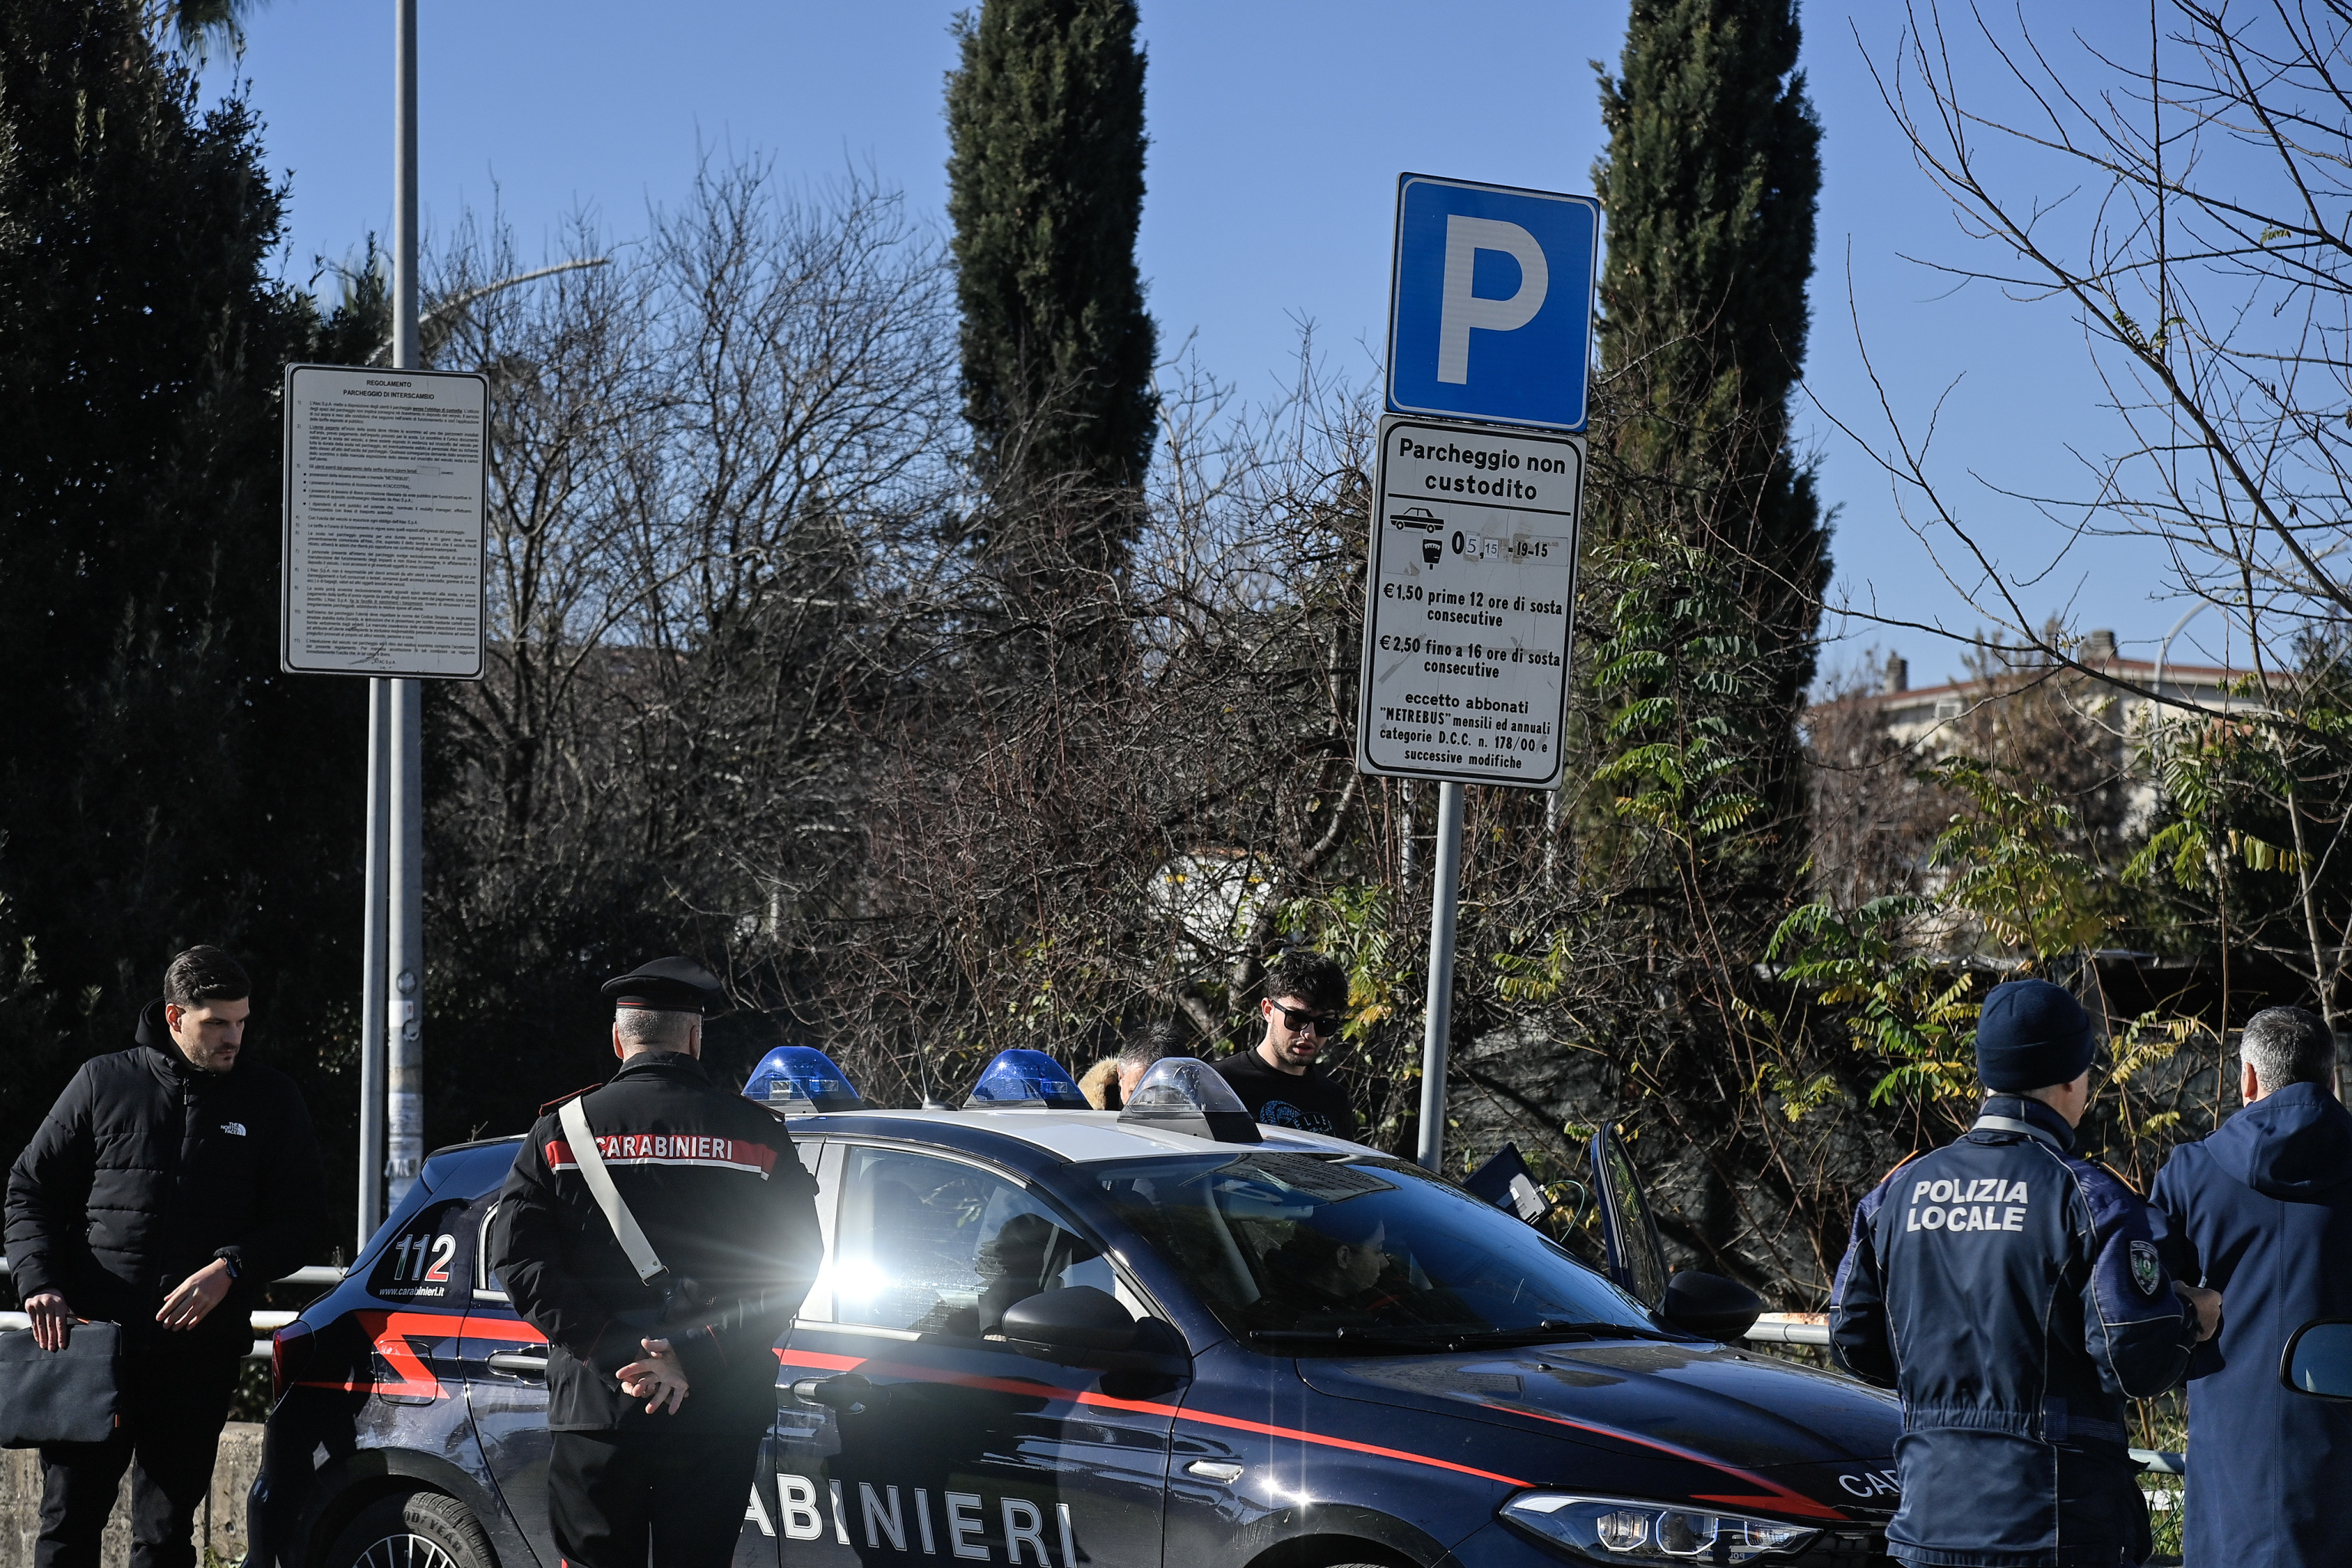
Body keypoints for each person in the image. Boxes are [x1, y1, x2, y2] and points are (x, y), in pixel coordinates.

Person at [1829, 978, 2220, 1568]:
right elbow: (2131, 1357)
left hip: (1927, 1520)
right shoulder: (2089, 1198)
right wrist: (2191, 1317)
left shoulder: (1897, 1193)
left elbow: (1851, 1342)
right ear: (2071, 1078)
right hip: (2055, 1524)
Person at [489, 956, 823, 1568]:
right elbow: (796, 1264)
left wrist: (619, 1352)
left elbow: (517, 1260)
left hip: (597, 1407)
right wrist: (692, 1354)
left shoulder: (561, 1131)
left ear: (619, 1038)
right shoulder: (756, 1133)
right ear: (696, 1038)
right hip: (715, 1410)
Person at [5, 946, 325, 1568]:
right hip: (94, 1349)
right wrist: (38, 1280)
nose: (235, 1037)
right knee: (68, 1525)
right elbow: (30, 1189)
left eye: (242, 1021)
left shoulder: (271, 1099)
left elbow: (305, 1224)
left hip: (196, 1358)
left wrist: (232, 1267)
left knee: (167, 1534)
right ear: (176, 1016)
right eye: (218, 1023)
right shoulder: (104, 1081)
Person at [2151, 1005, 2352, 1568]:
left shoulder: (2192, 1173)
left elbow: (2137, 1304)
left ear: (2248, 1078)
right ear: (2331, 1079)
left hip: (2232, 1466)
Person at [1216, 950, 1357, 1138]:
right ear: (1268, 1010)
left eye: (1325, 1024)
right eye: (1296, 1019)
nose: (1309, 1034)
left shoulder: (1335, 1099)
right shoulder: (1220, 1084)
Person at [1079, 1019, 1183, 1110]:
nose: (1145, 1106)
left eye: (1160, 1095)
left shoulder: (1192, 1117)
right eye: (1135, 1093)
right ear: (1120, 1075)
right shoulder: (1088, 1122)